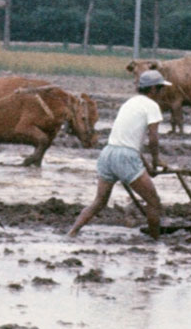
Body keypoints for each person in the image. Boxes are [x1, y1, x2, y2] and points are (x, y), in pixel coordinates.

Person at [68, 69, 168, 239]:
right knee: (153, 202)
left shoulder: (129, 103)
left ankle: (72, 232)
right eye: (160, 88)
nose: (162, 92)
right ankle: (155, 241)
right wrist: (157, 160)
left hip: (108, 154)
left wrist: (148, 166)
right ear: (152, 89)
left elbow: (129, 140)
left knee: (99, 202)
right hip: (125, 157)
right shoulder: (152, 106)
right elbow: (153, 139)